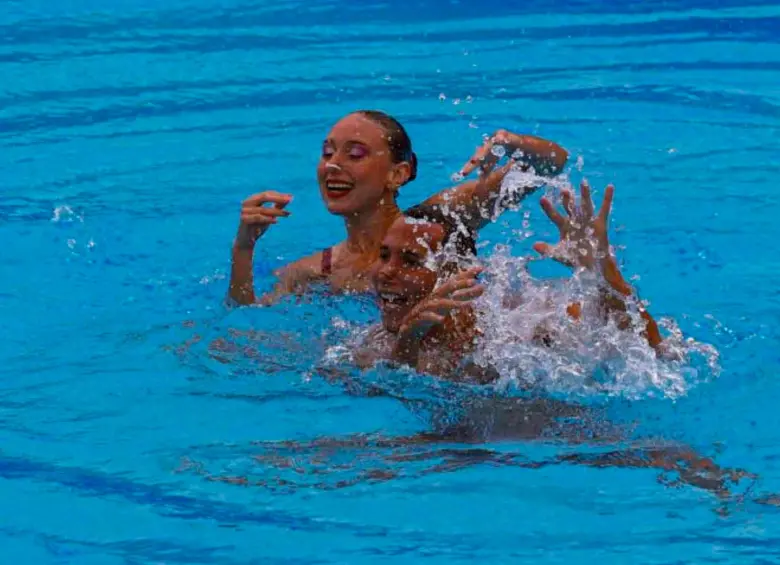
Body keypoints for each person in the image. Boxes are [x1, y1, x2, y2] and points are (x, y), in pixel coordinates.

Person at [228, 110, 568, 306]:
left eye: (355, 153)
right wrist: (244, 248)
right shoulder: (316, 272)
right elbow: (245, 330)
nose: (333, 165)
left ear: (398, 173)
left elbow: (550, 164)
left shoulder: (438, 220)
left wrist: (509, 142)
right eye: (327, 152)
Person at [351, 179, 664, 380]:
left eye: (411, 261)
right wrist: (408, 340)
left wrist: (603, 276)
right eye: (383, 255)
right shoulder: (376, 343)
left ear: (458, 273)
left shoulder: (520, 323)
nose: (385, 272)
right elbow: (390, 386)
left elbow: (650, 351)